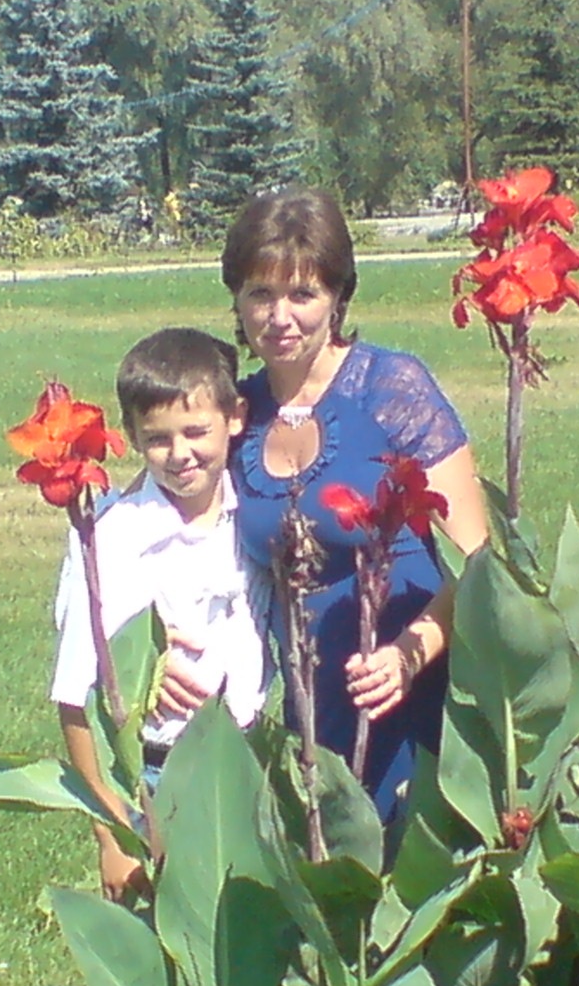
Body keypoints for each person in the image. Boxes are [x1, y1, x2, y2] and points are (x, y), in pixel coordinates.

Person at [214, 185, 490, 822]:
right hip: (314, 706)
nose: (279, 317)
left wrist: (410, 653)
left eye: (302, 294)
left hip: (413, 692)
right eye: (260, 293)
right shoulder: (237, 414)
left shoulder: (391, 389)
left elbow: (480, 561)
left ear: (338, 297)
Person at [52, 326, 271, 902]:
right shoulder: (114, 539)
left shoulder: (255, 513)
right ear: (131, 438)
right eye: (157, 439)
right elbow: (74, 695)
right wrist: (112, 834)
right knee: (170, 926)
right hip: (155, 775)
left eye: (196, 432)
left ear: (235, 418)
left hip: (250, 758)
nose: (180, 454)